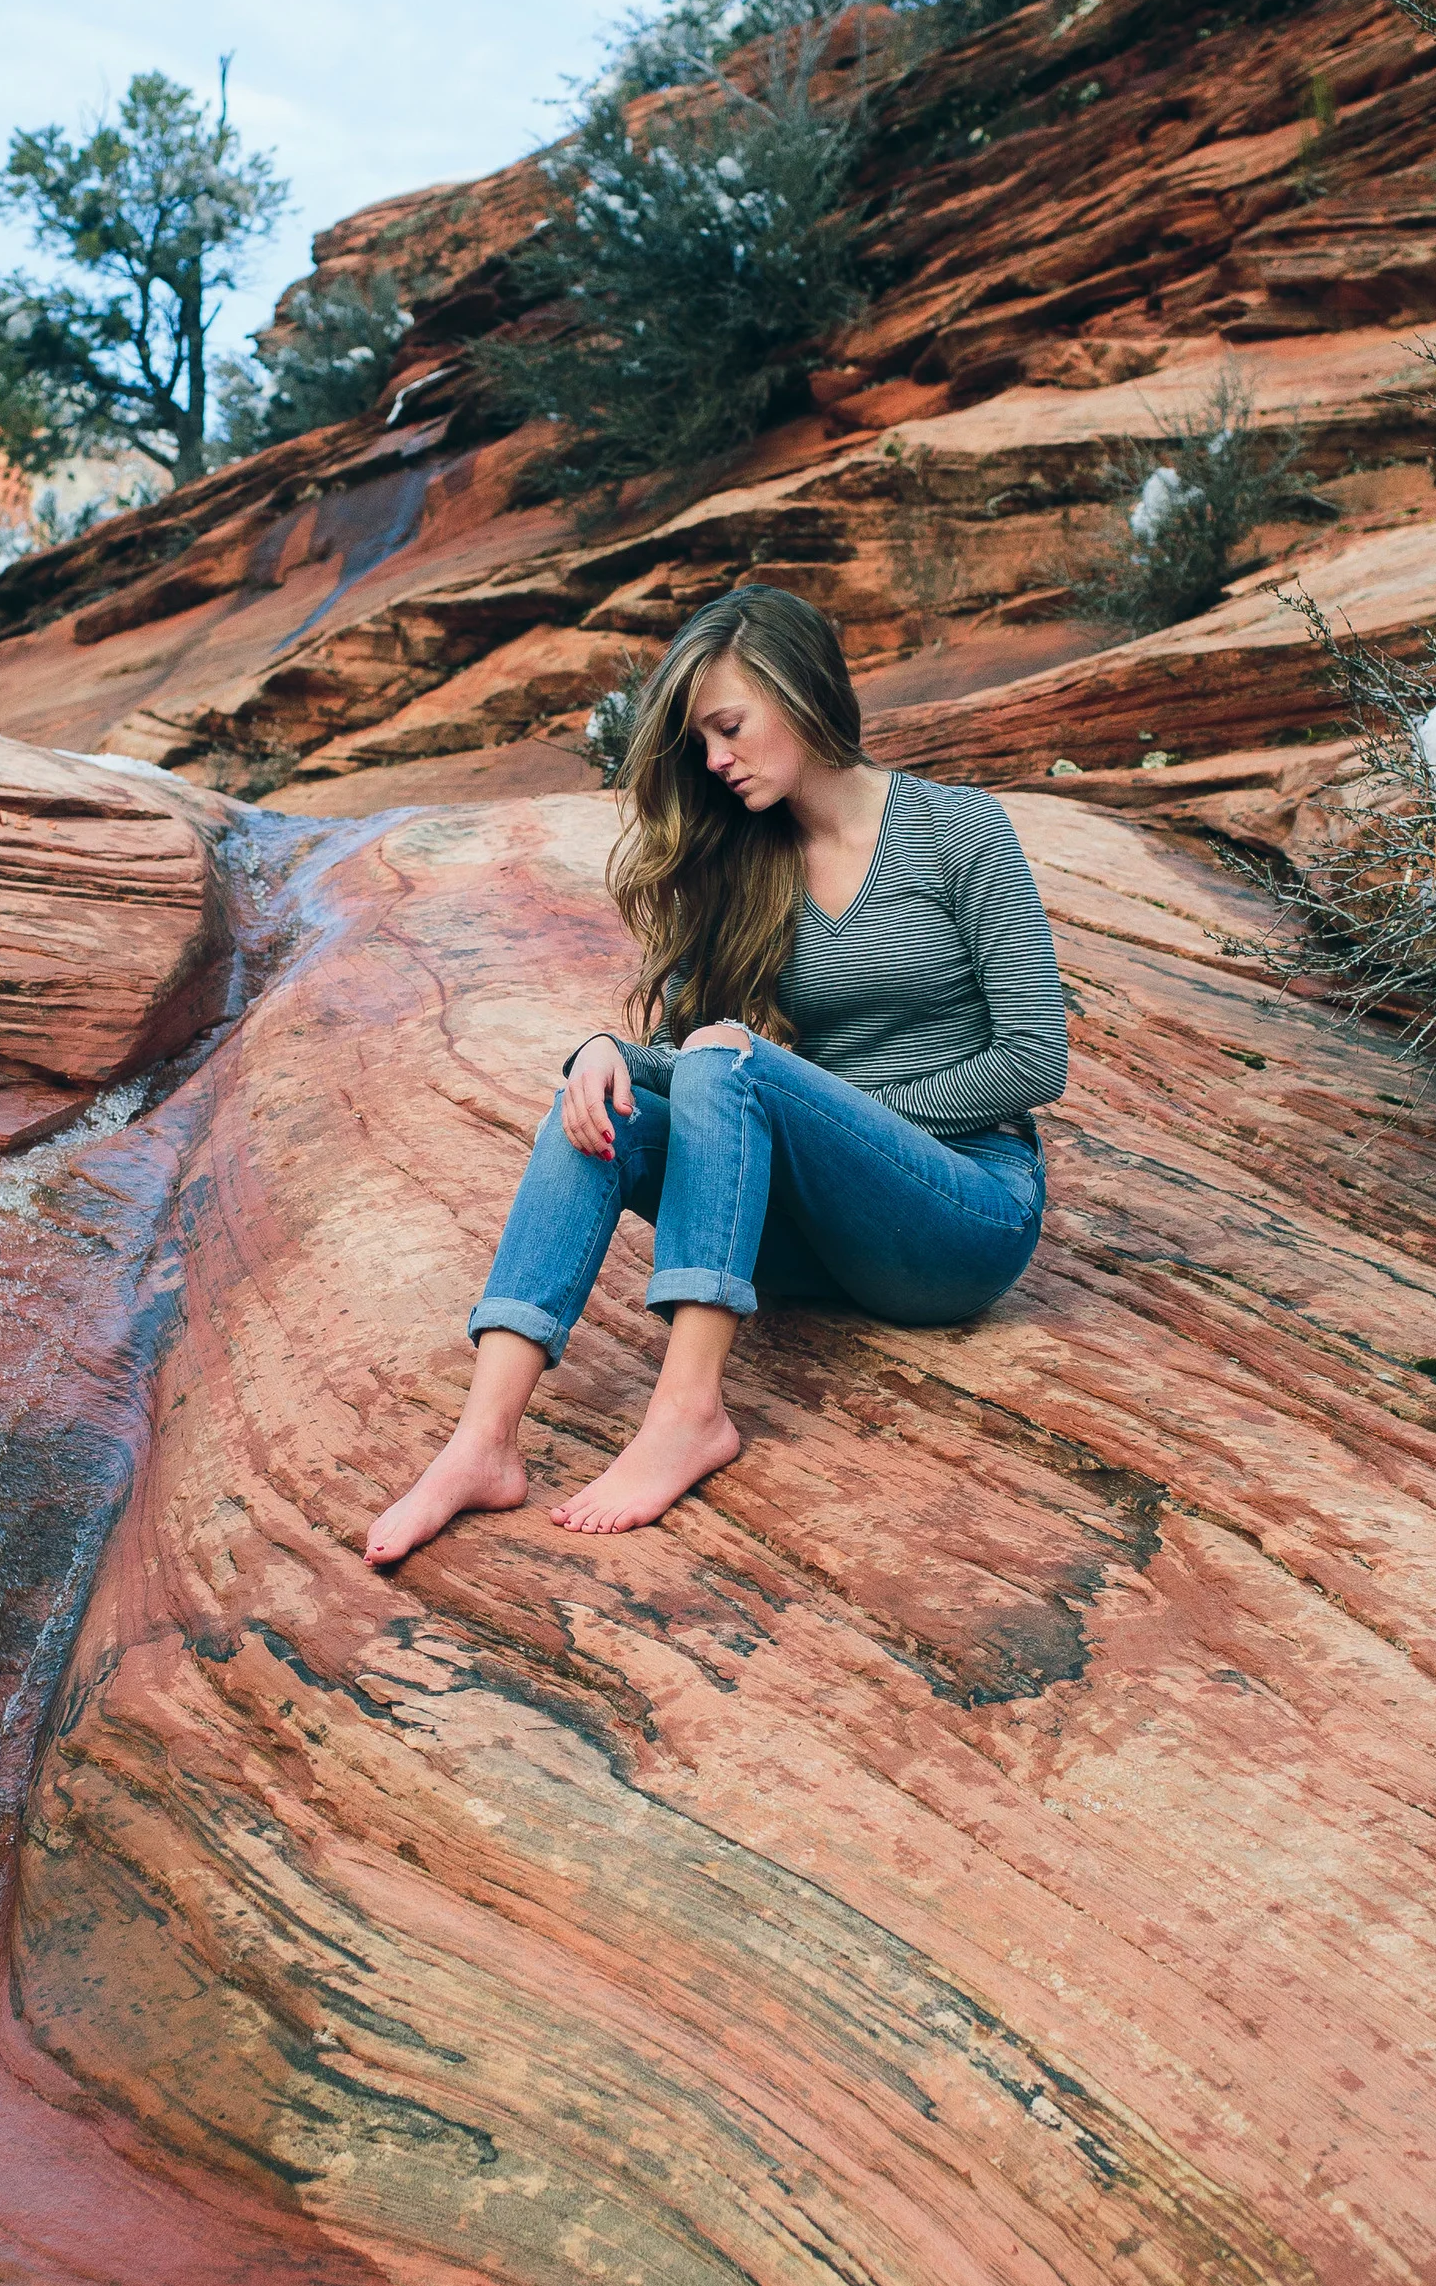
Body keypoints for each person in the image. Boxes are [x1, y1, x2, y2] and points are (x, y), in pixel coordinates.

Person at [365, 584, 1067, 1567]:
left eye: (728, 727)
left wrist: (827, 1112)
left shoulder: (959, 831)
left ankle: (688, 1416)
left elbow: (1035, 1059)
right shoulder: (746, 857)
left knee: (730, 1062)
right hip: (812, 1240)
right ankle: (482, 1445)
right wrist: (607, 1054)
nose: (713, 760)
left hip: (959, 1216)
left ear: (801, 691)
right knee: (596, 1109)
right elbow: (700, 1069)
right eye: (699, 741)